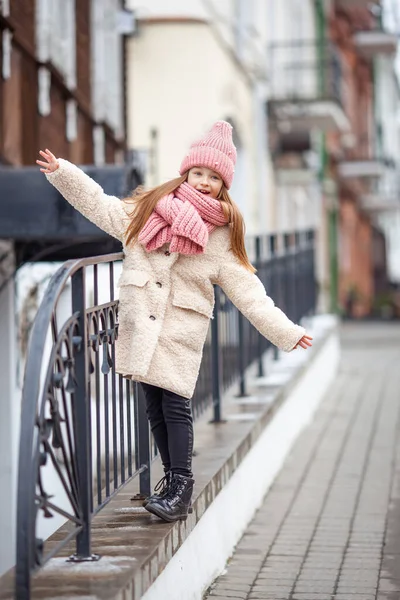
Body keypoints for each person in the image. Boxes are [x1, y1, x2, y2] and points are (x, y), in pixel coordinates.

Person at [37, 120, 312, 523]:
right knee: (154, 407)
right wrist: (64, 173)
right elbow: (101, 205)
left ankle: (181, 487)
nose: (204, 182)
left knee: (175, 405)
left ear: (224, 185)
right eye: (199, 173)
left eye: (214, 177)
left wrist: (286, 332)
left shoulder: (221, 235)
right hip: (142, 327)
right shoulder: (148, 208)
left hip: (180, 331)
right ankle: (170, 481)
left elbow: (249, 293)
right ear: (187, 172)